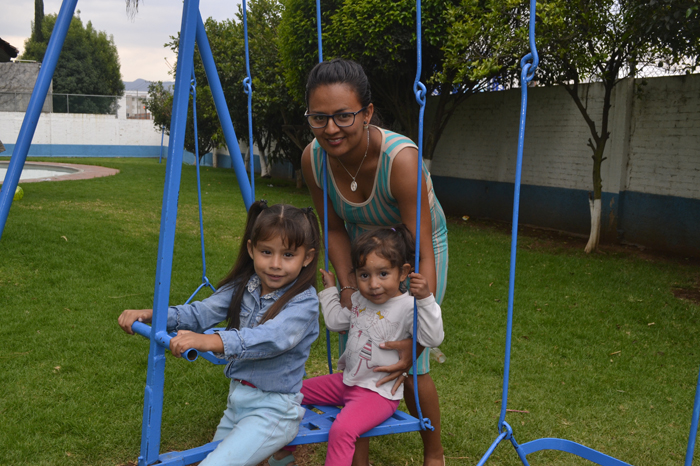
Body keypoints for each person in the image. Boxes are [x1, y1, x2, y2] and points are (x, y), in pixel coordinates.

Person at [301, 58, 449, 466]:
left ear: (366, 113)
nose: (331, 128)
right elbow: (333, 228)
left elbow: (420, 250)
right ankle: (357, 453)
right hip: (360, 246)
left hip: (415, 247)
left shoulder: (400, 160)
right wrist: (349, 287)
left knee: (411, 361)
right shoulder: (313, 159)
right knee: (362, 349)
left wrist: (417, 340)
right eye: (318, 118)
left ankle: (434, 453)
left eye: (343, 116)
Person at [118, 201, 321, 466]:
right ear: (251, 249)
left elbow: (271, 338)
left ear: (307, 257)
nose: (275, 264)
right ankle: (281, 461)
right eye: (266, 252)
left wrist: (210, 341)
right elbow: (201, 312)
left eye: (288, 255)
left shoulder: (304, 303)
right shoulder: (245, 286)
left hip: (274, 411)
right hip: (237, 402)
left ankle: (278, 455)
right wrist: (153, 314)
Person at [273, 226, 444, 466]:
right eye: (364, 275)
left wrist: (425, 299)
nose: (373, 284)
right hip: (347, 382)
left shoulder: (409, 307)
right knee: (291, 391)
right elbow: (335, 322)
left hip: (377, 394)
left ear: (403, 273)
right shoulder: (360, 300)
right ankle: (284, 452)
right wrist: (330, 290)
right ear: (355, 276)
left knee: (342, 430)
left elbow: (432, 338)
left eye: (383, 274)